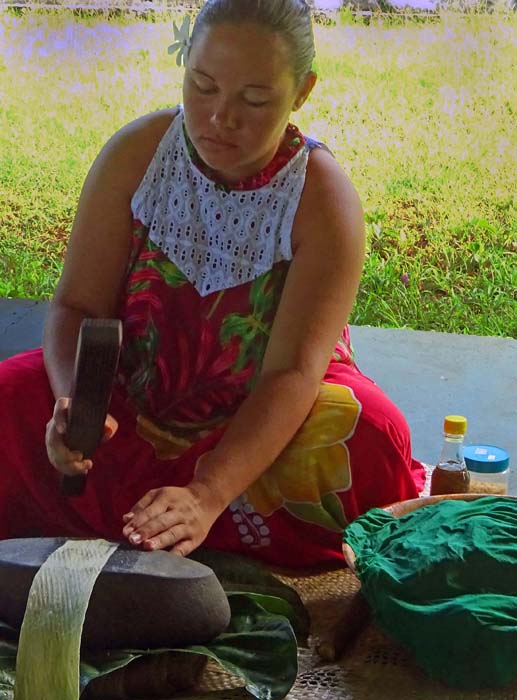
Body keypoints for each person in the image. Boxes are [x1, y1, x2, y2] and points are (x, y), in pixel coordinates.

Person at [0, 0, 425, 568]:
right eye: (202, 87)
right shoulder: (137, 155)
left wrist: (208, 493)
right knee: (7, 400)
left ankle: (173, 519)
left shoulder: (322, 201)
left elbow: (291, 373)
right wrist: (72, 407)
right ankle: (175, 529)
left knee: (371, 433)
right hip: (129, 400)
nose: (220, 118)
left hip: (263, 425)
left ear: (301, 91)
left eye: (253, 100)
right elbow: (76, 304)